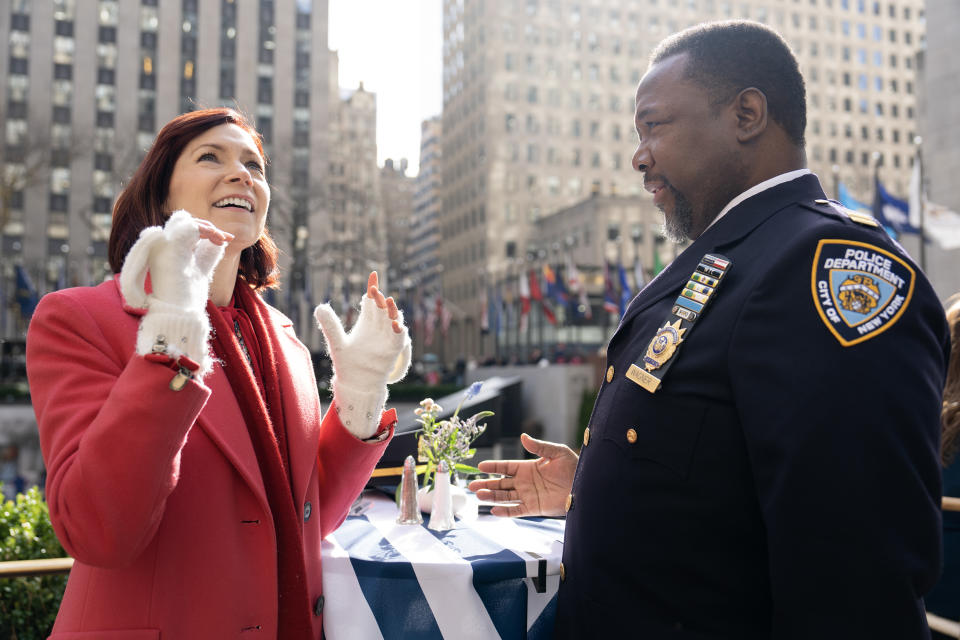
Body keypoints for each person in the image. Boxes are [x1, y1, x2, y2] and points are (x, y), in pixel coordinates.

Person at [470, 20, 950, 638]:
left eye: (654, 126)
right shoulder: (730, 258)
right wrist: (592, 485)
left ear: (747, 114)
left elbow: (853, 583)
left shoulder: (821, 267)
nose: (638, 156)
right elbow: (715, 481)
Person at [26, 107, 411, 638]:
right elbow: (97, 532)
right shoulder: (78, 318)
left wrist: (362, 392)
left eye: (255, 164)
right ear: (160, 197)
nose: (242, 174)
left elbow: (304, 515)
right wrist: (170, 341)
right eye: (211, 157)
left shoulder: (283, 338)